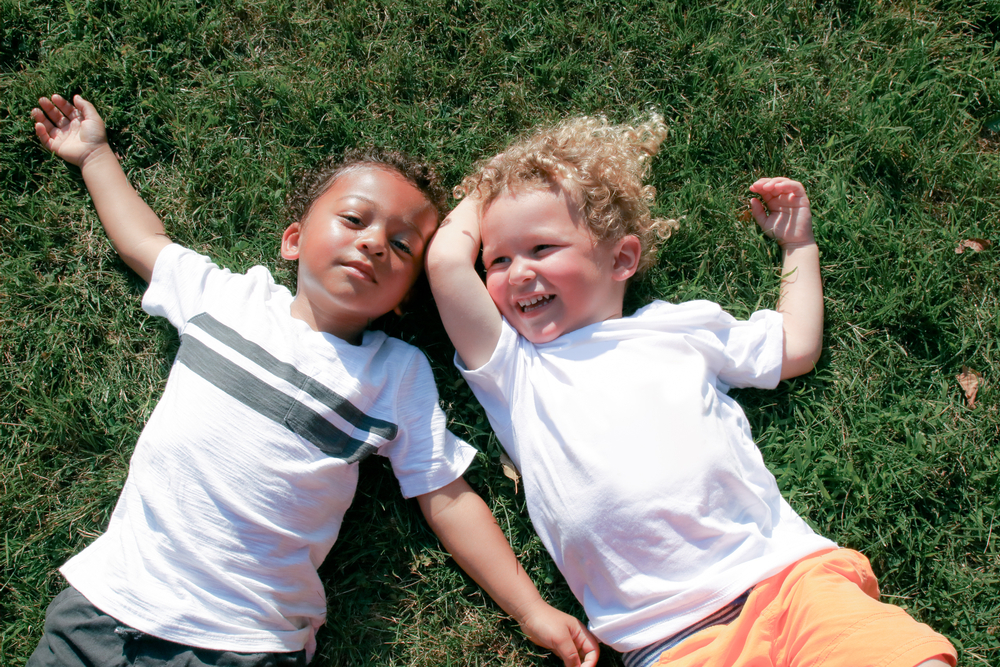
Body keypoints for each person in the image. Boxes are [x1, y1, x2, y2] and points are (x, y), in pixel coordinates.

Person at [27, 94, 599, 667]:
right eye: (354, 219)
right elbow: (144, 243)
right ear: (293, 240)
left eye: (402, 246)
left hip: (244, 642)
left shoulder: (394, 373)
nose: (375, 242)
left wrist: (532, 611)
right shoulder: (229, 299)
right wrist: (94, 156)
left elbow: (445, 496)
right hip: (105, 609)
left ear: (404, 300)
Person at [425, 113, 957, 667]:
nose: (517, 273)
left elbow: (796, 346)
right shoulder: (514, 369)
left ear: (621, 259)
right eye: (499, 259)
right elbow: (445, 260)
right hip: (671, 641)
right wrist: (493, 182)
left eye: (541, 248)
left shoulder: (680, 328)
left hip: (789, 581)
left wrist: (798, 245)